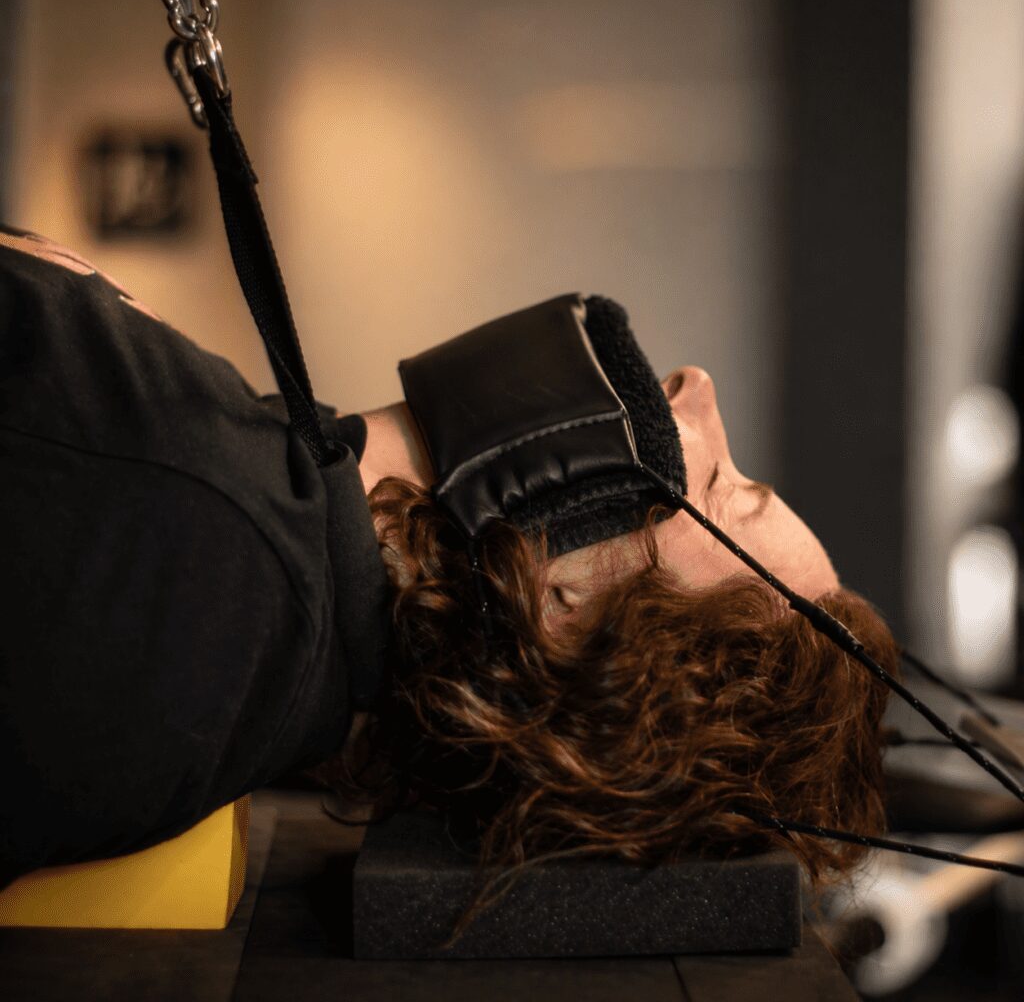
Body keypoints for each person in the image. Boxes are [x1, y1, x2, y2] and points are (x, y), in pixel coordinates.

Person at [0, 226, 898, 944]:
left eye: (723, 491)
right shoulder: (220, 537)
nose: (695, 390)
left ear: (565, 615)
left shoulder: (191, 548)